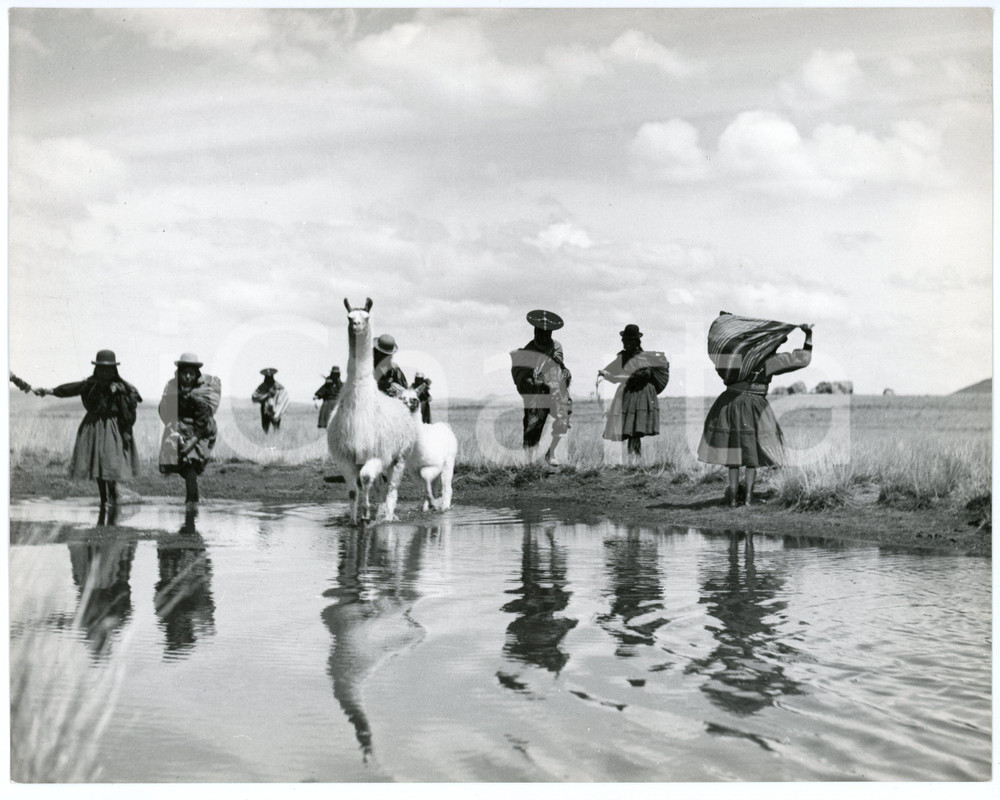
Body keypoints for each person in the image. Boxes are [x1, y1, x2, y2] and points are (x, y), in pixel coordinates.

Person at [697, 312, 813, 506]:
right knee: (751, 455)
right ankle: (749, 500)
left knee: (733, 454)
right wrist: (808, 335)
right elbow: (803, 359)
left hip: (729, 403)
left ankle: (733, 499)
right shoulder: (771, 362)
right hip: (754, 406)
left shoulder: (735, 359)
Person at [32, 349, 142, 509]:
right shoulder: (89, 385)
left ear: (114, 369)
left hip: (113, 428)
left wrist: (119, 394)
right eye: (102, 368)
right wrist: (49, 391)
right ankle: (104, 499)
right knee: (98, 463)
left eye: (109, 368)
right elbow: (70, 389)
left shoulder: (123, 387)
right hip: (93, 426)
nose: (105, 371)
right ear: (96, 368)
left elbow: (131, 405)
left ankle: (112, 494)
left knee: (110, 463)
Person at [598, 324, 670, 463]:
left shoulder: (643, 358)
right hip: (629, 393)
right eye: (624, 340)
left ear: (635, 341)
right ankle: (633, 460)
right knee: (631, 428)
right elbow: (612, 373)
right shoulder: (623, 356)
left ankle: (635, 460)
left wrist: (616, 377)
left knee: (635, 428)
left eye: (628, 340)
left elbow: (642, 376)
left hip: (641, 394)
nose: (625, 343)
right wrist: (605, 374)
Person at [510, 310, 572, 467]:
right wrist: (534, 382)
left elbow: (559, 366)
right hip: (537, 393)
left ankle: (550, 454)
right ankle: (530, 461)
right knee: (533, 426)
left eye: (547, 332)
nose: (544, 335)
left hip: (555, 390)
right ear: (536, 331)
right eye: (541, 332)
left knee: (562, 420)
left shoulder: (556, 346)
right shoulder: (528, 350)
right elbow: (523, 375)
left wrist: (564, 374)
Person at [158, 353, 221, 505]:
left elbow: (201, 425)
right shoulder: (173, 390)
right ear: (179, 374)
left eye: (191, 373)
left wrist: (190, 444)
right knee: (183, 466)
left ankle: (192, 502)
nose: (187, 377)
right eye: (184, 373)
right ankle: (192, 502)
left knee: (190, 464)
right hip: (178, 429)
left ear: (196, 374)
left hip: (199, 432)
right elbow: (166, 411)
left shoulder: (201, 394)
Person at [252, 368, 289, 433]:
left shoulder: (278, 386)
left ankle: (276, 440)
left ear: (272, 376)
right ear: (265, 377)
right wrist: (265, 396)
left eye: (270, 376)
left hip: (275, 409)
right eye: (267, 376)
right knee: (265, 427)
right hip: (265, 410)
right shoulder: (262, 386)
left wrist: (278, 404)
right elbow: (255, 396)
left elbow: (283, 395)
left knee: (276, 427)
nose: (269, 377)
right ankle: (267, 440)